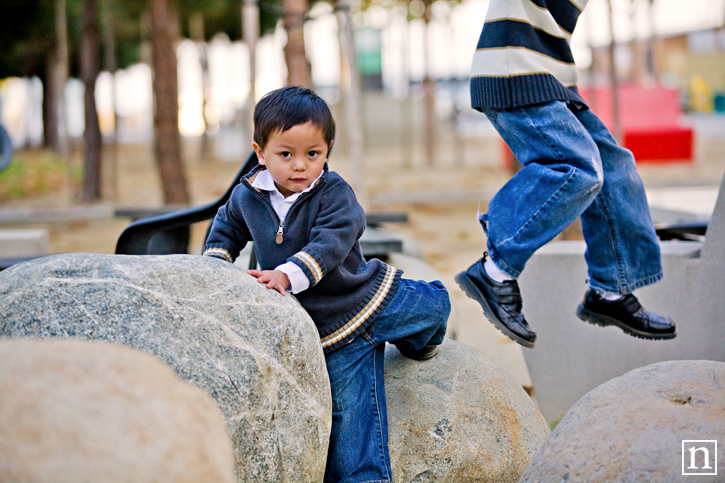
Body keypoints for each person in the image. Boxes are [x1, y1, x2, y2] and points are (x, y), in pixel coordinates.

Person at [203, 86, 450, 482]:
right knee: (351, 427)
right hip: (330, 333)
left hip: (364, 297)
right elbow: (226, 227)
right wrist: (215, 265)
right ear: (259, 152)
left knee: (431, 307)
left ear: (327, 150)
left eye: (313, 154)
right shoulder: (247, 196)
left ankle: (429, 321)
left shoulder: (334, 193)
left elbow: (331, 243)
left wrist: (286, 273)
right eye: (286, 154)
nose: (300, 165)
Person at [454, 0, 676, 348]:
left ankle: (611, 291)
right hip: (513, 70)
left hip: (553, 81)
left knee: (616, 168)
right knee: (578, 166)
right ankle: (494, 271)